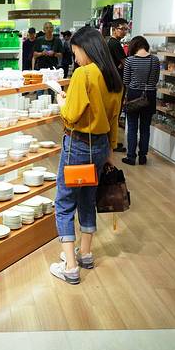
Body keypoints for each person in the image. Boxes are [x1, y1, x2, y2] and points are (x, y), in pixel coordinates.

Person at [51, 26, 123, 285]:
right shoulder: (113, 78)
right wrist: (110, 150)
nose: (76, 57)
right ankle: (86, 254)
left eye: (76, 52)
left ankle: (70, 267)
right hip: (101, 146)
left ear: (85, 48)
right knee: (88, 198)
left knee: (64, 203)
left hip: (79, 145)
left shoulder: (84, 74)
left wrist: (62, 102)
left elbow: (71, 115)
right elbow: (113, 119)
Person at [121, 36, 160, 166]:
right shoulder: (155, 60)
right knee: (145, 127)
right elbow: (155, 79)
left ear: (133, 46)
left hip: (134, 94)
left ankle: (131, 157)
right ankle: (143, 156)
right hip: (150, 95)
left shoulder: (130, 60)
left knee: (132, 126)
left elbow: (126, 81)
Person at [107, 18, 130, 153]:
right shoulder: (115, 44)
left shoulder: (110, 42)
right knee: (115, 112)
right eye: (122, 29)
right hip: (117, 81)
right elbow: (125, 63)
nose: (125, 32)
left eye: (126, 29)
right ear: (114, 29)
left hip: (113, 80)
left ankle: (112, 142)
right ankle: (112, 143)